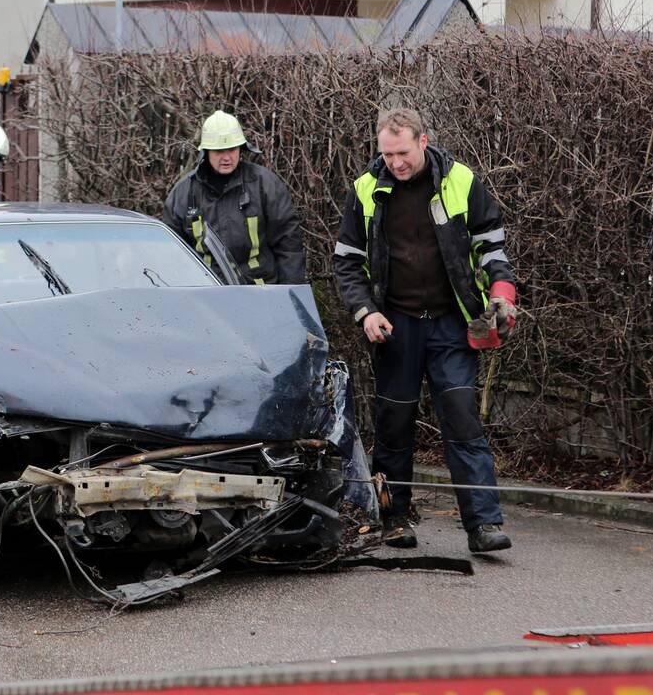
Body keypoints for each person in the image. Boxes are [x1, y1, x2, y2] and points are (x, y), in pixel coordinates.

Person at [332, 108, 517, 553]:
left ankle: (483, 525)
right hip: (396, 327)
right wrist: (365, 313)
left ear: (424, 141)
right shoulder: (365, 189)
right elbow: (346, 261)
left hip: (452, 324)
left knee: (462, 418)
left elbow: (491, 245)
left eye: (402, 152)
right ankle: (394, 519)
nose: (395, 162)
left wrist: (502, 293)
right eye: (387, 154)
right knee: (393, 425)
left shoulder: (461, 181)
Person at [163, 111, 305, 284]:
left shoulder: (265, 186)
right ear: (206, 152)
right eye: (218, 151)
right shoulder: (184, 193)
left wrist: (289, 296)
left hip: (261, 294)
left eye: (231, 149)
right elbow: (171, 256)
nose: (226, 157)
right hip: (205, 296)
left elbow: (288, 244)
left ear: (241, 148)